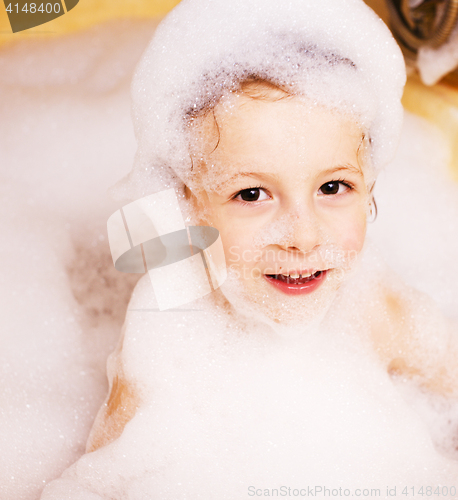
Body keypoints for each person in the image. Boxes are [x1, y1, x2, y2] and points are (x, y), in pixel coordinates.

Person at [41, 0, 458, 497]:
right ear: (190, 208)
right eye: (251, 194)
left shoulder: (376, 304)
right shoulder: (164, 332)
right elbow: (100, 477)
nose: (302, 237)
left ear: (370, 188)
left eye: (332, 188)